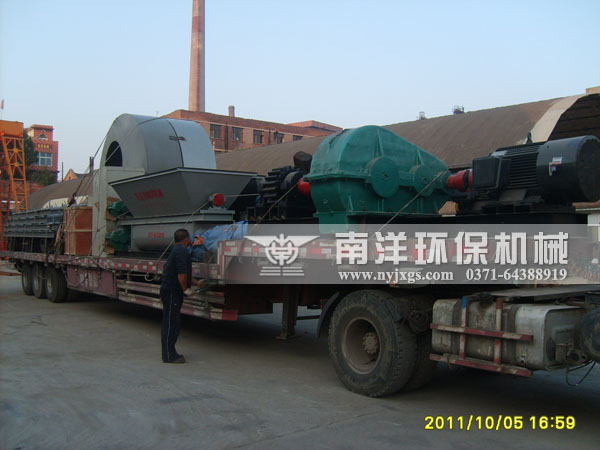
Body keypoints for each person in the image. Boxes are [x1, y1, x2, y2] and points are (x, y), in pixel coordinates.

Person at [160, 229, 202, 363]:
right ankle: (169, 356)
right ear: (186, 239)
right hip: (172, 291)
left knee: (171, 321)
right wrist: (185, 290)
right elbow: (181, 275)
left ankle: (169, 353)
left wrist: (197, 283)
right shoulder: (182, 251)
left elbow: (184, 274)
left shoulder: (177, 249)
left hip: (170, 290)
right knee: (171, 323)